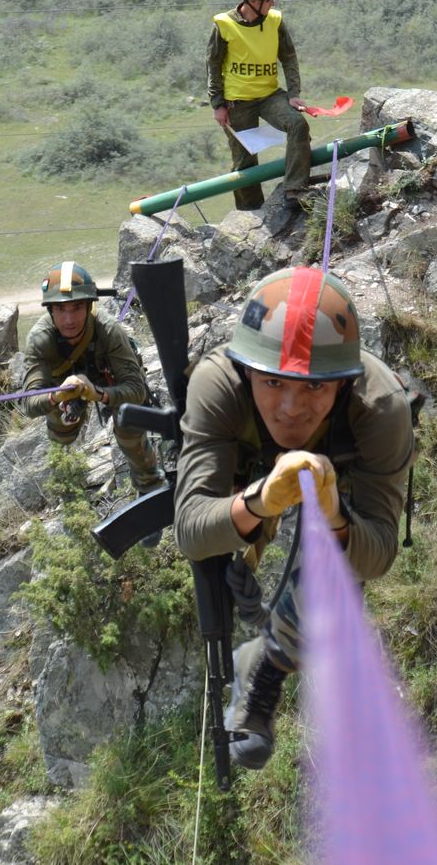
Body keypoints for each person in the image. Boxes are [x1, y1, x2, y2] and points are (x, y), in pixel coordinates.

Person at [175, 267, 415, 768]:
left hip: (339, 475)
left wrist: (335, 517)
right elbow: (192, 530)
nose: (291, 408)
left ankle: (265, 664)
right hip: (247, 473)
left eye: (315, 388)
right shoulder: (217, 384)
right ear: (246, 372)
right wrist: (260, 502)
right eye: (272, 382)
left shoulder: (380, 408)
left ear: (343, 384)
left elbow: (378, 553)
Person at [20, 261, 165, 497]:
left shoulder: (108, 330)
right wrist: (58, 396)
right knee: (62, 434)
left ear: (89, 306)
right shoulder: (40, 340)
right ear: (50, 310)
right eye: (60, 309)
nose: (69, 319)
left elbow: (136, 389)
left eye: (77, 307)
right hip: (64, 390)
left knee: (130, 423)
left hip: (109, 382)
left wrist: (97, 394)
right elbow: (29, 402)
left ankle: (150, 487)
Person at [207, 0, 313, 212]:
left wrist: (294, 93)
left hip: (269, 96)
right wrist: (218, 104)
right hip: (236, 102)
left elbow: (289, 57)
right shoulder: (223, 25)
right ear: (252, 1)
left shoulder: (275, 21)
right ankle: (250, 213)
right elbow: (212, 65)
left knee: (298, 125)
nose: (272, 3)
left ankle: (294, 189)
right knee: (244, 162)